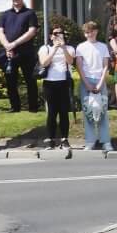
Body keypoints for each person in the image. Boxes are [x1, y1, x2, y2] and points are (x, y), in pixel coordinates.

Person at [75, 20, 113, 153]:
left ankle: (106, 141)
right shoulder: (80, 47)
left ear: (96, 31)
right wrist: (87, 84)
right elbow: (79, 67)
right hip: (86, 80)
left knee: (102, 112)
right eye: (86, 32)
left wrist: (100, 83)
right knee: (88, 112)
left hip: (99, 80)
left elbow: (105, 66)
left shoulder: (103, 47)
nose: (89, 34)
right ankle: (90, 141)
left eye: (91, 31)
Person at [0, 0, 39, 113]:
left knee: (30, 80)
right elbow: (0, 32)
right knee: (11, 81)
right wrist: (7, 46)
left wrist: (14, 44)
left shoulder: (30, 13)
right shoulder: (5, 15)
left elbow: (32, 32)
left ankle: (33, 107)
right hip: (10, 53)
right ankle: (15, 107)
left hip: (26, 53)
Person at [37, 23, 75, 152]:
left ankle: (64, 139)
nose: (58, 36)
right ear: (50, 36)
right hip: (49, 83)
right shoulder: (45, 48)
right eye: (55, 33)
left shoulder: (69, 48)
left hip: (63, 82)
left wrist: (63, 47)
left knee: (64, 112)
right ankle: (50, 139)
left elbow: (70, 61)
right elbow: (44, 62)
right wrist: (54, 49)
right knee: (51, 112)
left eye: (60, 33)